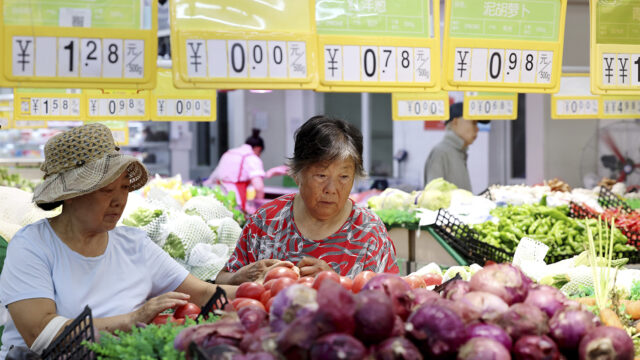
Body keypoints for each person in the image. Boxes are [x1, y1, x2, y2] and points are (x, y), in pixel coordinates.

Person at [0, 124, 236, 358]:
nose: (119, 200)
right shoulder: (32, 245)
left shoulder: (134, 244)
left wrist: (266, 289)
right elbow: (40, 333)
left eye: (124, 188)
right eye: (106, 190)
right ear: (70, 194)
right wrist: (132, 319)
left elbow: (204, 293)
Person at [215, 116, 399, 285]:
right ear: (297, 174)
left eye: (344, 177)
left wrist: (335, 284)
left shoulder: (369, 232)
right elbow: (221, 280)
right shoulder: (266, 221)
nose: (331, 189)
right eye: (321, 175)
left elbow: (391, 297)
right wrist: (237, 278)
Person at [423, 102, 489, 191]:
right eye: (473, 122)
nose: (477, 129)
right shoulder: (441, 152)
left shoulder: (459, 151)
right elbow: (433, 198)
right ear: (455, 122)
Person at [203, 129, 266, 212]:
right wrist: (259, 207)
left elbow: (213, 177)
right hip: (235, 200)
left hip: (217, 197)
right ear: (258, 148)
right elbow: (258, 187)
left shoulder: (229, 153)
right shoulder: (252, 158)